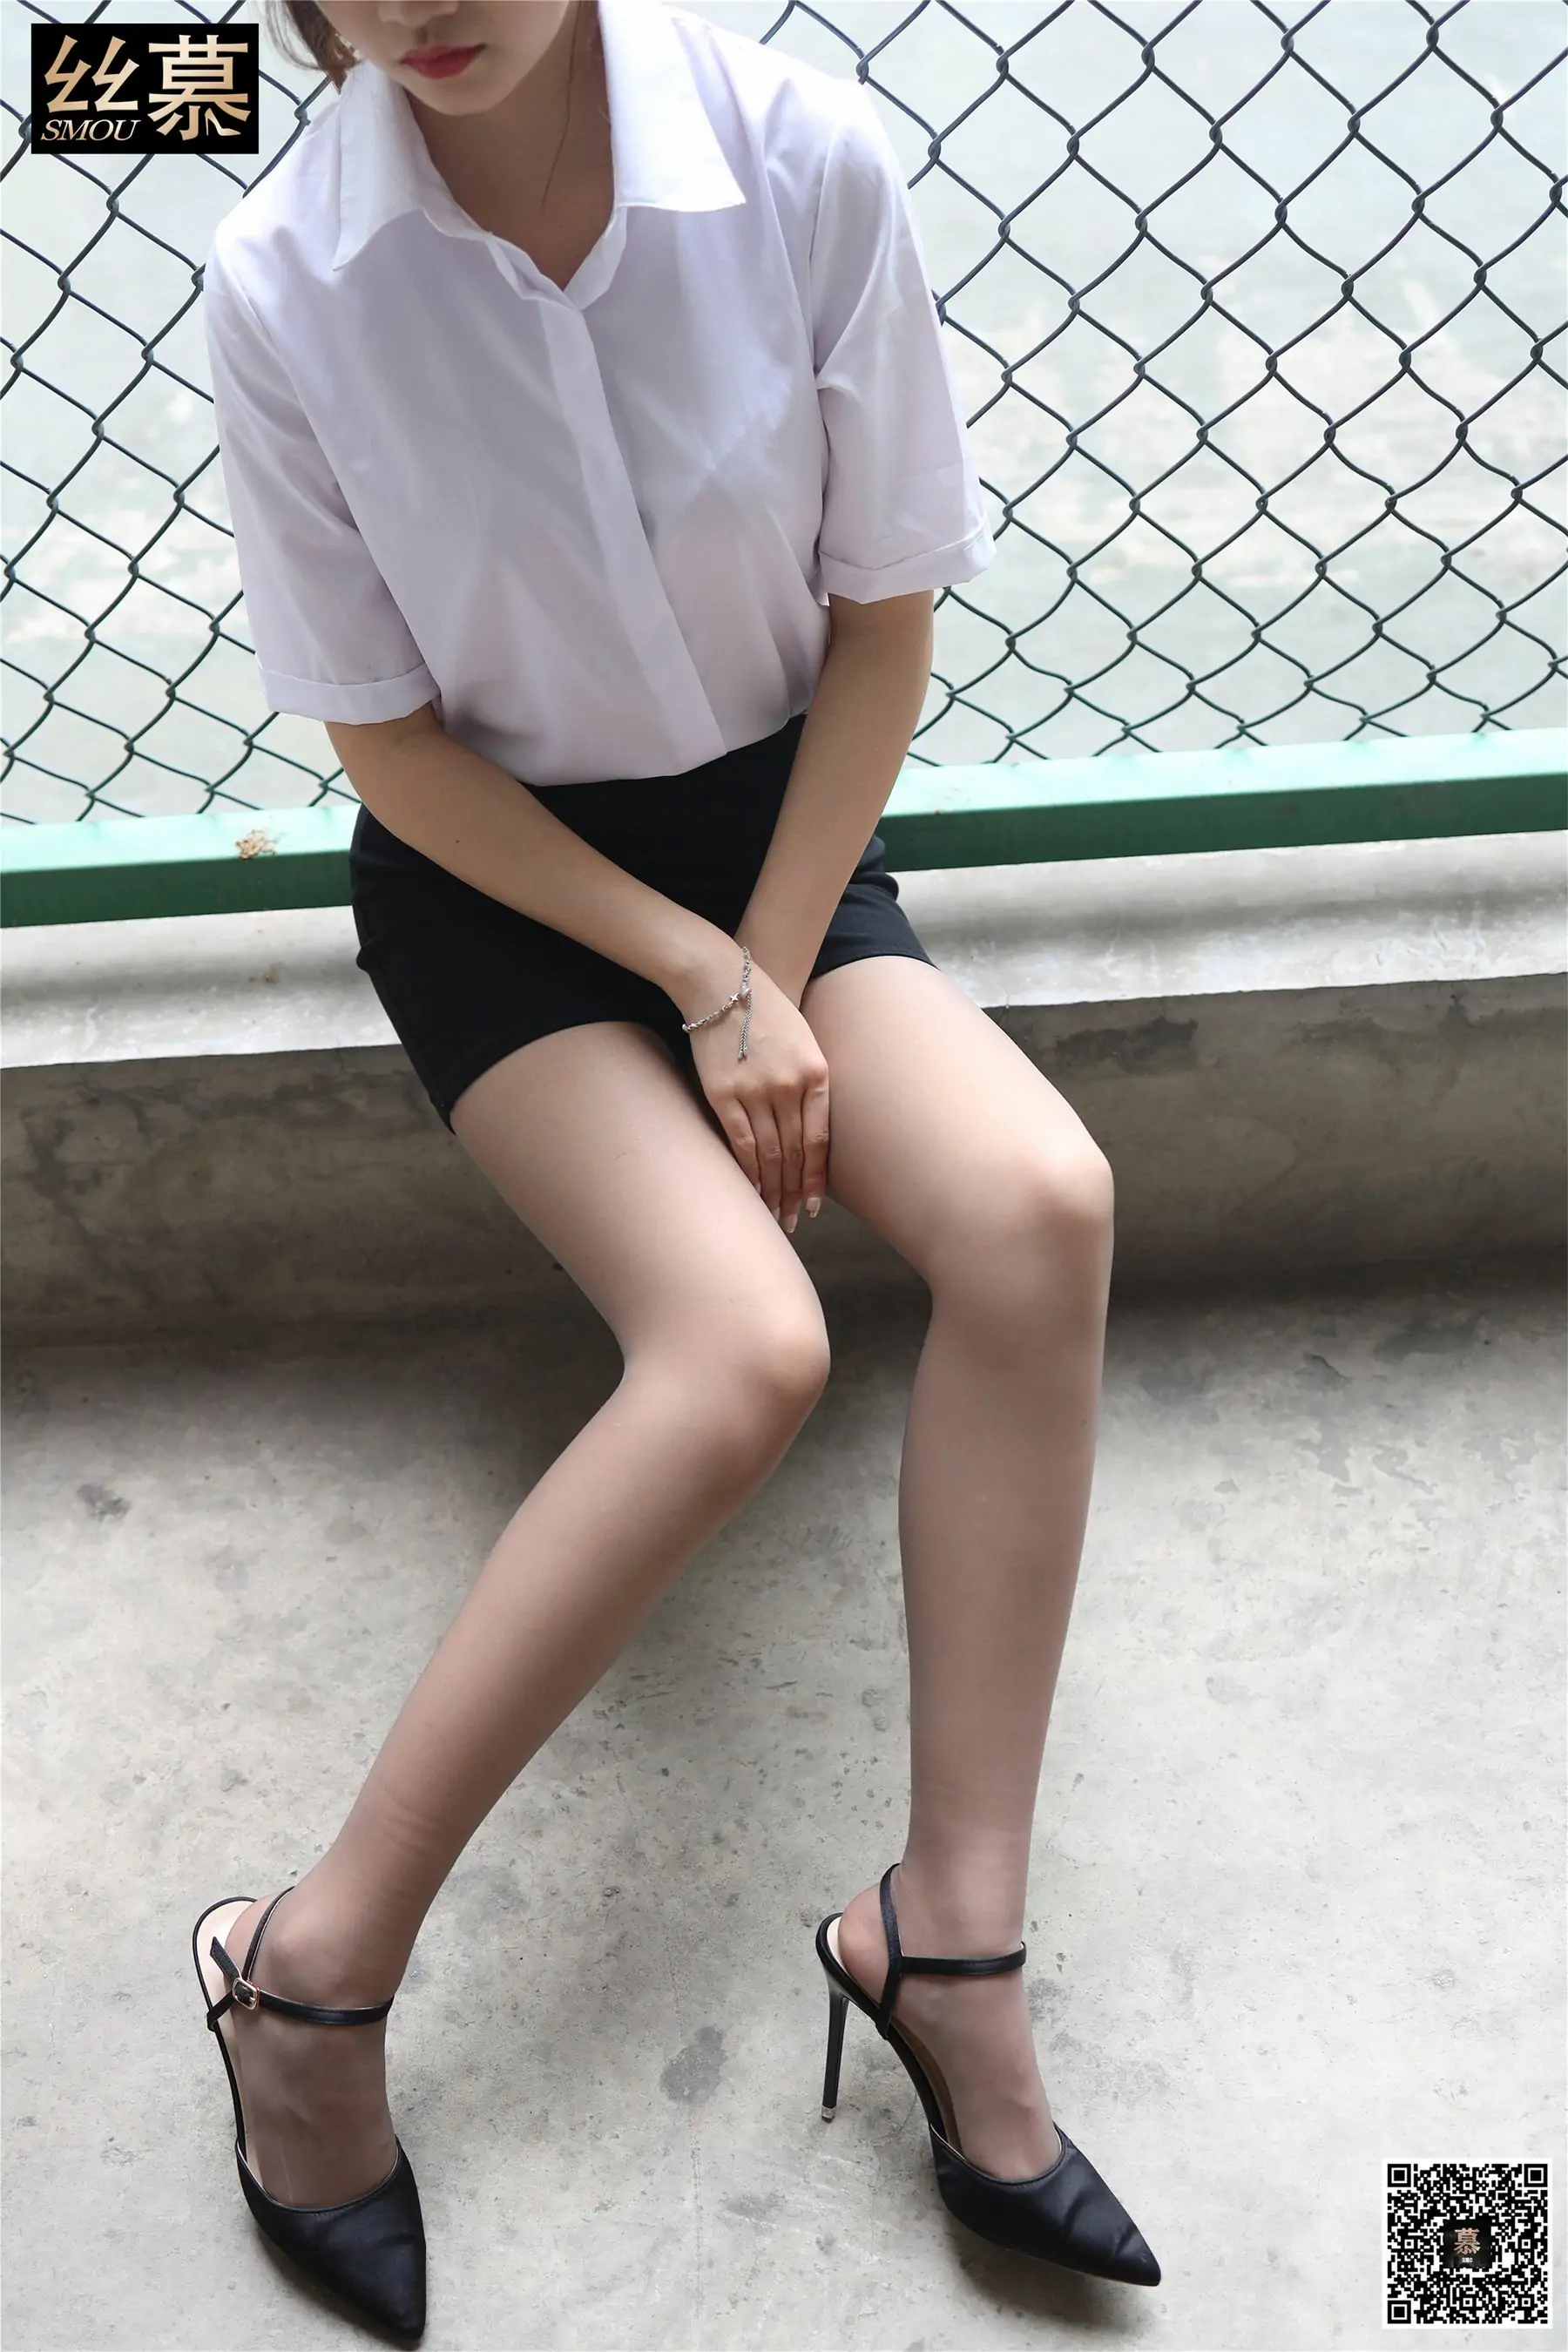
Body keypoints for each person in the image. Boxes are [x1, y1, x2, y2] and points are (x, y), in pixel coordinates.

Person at [191, 0, 1160, 2337]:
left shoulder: (800, 159)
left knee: (1042, 1206)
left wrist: (771, 964)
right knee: (740, 1346)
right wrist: (693, 979)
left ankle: (947, 1936)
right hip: (505, 889)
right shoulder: (288, 275)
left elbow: (885, 619)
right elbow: (388, 748)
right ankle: (311, 1974)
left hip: (783, 839)